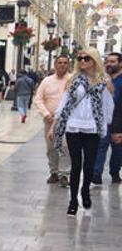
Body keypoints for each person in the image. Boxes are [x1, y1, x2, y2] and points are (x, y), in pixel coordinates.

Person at [50, 48, 115, 217]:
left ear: (94, 60)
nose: (82, 61)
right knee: (76, 164)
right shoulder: (73, 80)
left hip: (92, 127)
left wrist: (105, 126)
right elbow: (64, 103)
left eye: (87, 58)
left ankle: (85, 191)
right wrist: (55, 125)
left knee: (89, 164)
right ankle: (73, 201)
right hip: (73, 126)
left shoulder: (104, 81)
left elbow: (108, 106)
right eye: (80, 58)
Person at [34, 55, 72, 187]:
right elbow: (38, 98)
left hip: (67, 121)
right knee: (51, 148)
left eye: (65, 63)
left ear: (68, 65)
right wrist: (45, 114)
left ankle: (64, 174)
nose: (62, 65)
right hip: (49, 120)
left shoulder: (72, 80)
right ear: (55, 65)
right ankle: (54, 172)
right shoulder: (47, 81)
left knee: (65, 146)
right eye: (59, 62)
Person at [92, 52, 122, 184]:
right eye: (107, 61)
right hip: (103, 120)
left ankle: (115, 172)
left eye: (113, 61)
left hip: (119, 120)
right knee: (100, 146)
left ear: (120, 64)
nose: (109, 64)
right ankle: (96, 173)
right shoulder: (101, 79)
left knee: (118, 149)